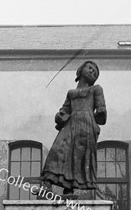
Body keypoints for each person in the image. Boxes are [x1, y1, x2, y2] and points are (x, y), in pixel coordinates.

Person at [40, 60, 107, 195]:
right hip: (71, 124)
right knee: (58, 151)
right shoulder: (71, 93)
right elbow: (65, 109)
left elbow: (102, 115)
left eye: (95, 72)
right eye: (90, 68)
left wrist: (100, 112)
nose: (92, 71)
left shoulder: (96, 89)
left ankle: (69, 189)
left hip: (86, 126)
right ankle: (45, 185)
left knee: (78, 157)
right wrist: (60, 115)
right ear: (81, 70)